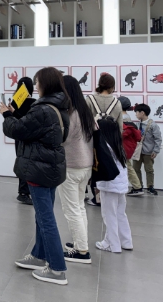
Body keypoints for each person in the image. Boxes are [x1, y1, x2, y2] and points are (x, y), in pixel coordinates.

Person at [0, 67, 70, 285]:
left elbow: (16, 130)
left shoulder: (43, 110)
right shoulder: (59, 107)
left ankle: (57, 269)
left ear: (45, 84)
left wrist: (7, 114)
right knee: (42, 215)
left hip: (39, 168)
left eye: (38, 82)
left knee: (45, 219)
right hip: (51, 166)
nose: (36, 86)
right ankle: (39, 256)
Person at [58, 76, 95, 264]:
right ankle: (80, 243)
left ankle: (82, 252)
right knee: (79, 207)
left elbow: (62, 139)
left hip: (71, 167)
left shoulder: (70, 114)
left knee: (71, 209)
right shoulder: (85, 112)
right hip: (86, 166)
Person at [95, 117, 133, 253]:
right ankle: (126, 242)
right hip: (121, 185)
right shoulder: (118, 145)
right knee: (120, 214)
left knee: (109, 215)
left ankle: (112, 244)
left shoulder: (104, 146)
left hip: (109, 185)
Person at [84, 73, 123, 206]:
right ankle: (105, 197)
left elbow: (85, 123)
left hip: (93, 140)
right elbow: (120, 127)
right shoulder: (117, 103)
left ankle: (96, 197)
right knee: (107, 167)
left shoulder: (89, 100)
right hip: (111, 142)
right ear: (112, 86)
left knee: (94, 168)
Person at [10, 77, 37, 205]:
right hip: (30, 137)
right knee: (28, 163)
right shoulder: (34, 103)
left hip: (19, 137)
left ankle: (24, 192)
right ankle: (24, 192)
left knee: (22, 162)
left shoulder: (14, 102)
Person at [133, 103, 161, 195]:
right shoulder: (137, 124)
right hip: (137, 151)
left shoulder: (153, 125)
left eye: (137, 112)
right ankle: (138, 186)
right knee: (135, 169)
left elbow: (158, 139)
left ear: (142, 113)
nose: (136, 114)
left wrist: (155, 150)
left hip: (149, 152)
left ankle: (150, 187)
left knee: (149, 170)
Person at [119, 98, 144, 197]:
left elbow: (120, 134)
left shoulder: (122, 119)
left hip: (123, 148)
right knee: (128, 167)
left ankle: (137, 187)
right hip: (128, 148)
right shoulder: (128, 119)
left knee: (128, 168)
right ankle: (137, 187)